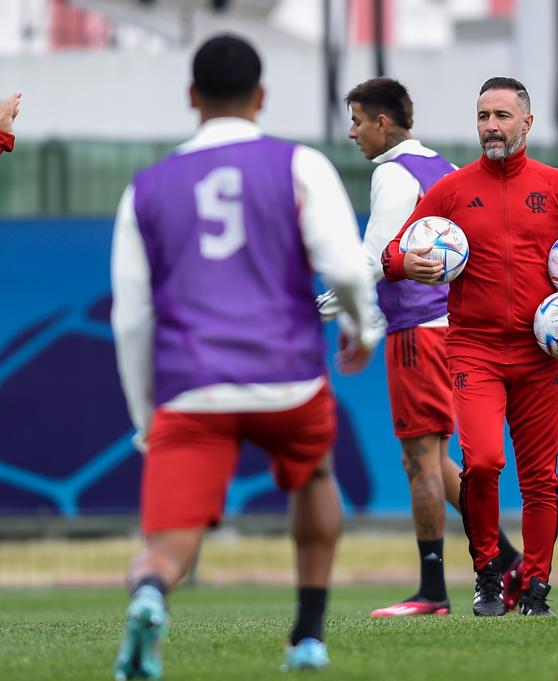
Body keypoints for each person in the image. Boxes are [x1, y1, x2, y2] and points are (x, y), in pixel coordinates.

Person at [110, 34, 381, 679]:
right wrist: (362, 332)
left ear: (190, 97)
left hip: (192, 389)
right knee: (313, 474)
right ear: (261, 97)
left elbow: (131, 319)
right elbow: (345, 268)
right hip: (287, 380)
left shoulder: (145, 188)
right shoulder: (298, 164)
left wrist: (148, 414)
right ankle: (308, 636)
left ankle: (151, 593)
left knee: (169, 544)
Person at [382, 77, 558, 616]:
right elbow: (391, 253)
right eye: (482, 117)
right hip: (472, 350)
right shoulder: (453, 190)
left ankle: (538, 587)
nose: (491, 127)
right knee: (482, 464)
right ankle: (489, 575)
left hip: (539, 353)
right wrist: (408, 263)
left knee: (541, 478)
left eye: (501, 116)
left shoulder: (557, 185)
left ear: (527, 123)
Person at [337, 77, 523, 617]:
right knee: (436, 458)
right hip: (447, 324)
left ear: (382, 123)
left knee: (419, 458)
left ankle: (433, 591)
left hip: (418, 329)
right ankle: (507, 560)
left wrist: (324, 307)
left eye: (356, 121)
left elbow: (375, 259)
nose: (351, 133)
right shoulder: (438, 167)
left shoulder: (393, 172)